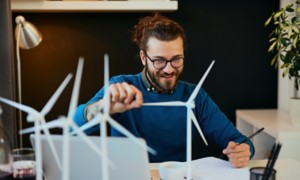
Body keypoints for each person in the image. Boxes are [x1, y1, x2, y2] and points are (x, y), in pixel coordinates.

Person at [74, 13, 254, 168]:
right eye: (159, 60)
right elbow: (73, 128)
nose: (169, 69)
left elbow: (238, 140)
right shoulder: (122, 86)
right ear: (144, 57)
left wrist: (244, 150)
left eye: (176, 59)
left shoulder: (195, 95)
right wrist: (104, 107)